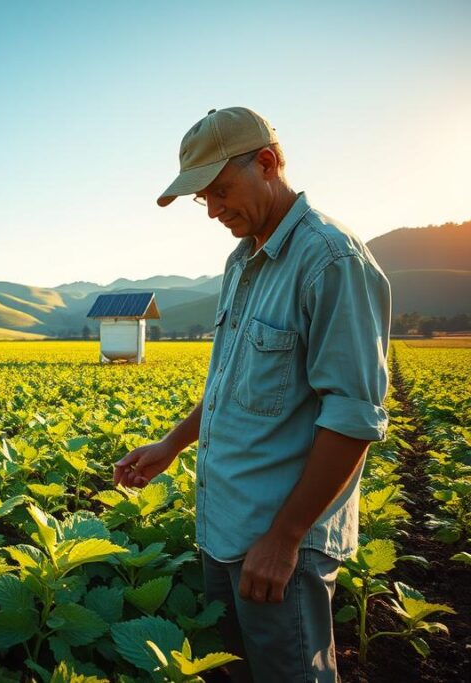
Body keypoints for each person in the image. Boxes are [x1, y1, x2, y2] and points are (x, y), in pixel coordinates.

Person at [113, 107, 390, 682]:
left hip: (281, 541)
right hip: (226, 527)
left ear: (266, 163)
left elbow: (353, 416)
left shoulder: (331, 260)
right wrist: (172, 443)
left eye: (220, 190)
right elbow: (230, 383)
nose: (212, 210)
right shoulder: (242, 261)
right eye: (202, 199)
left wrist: (285, 538)